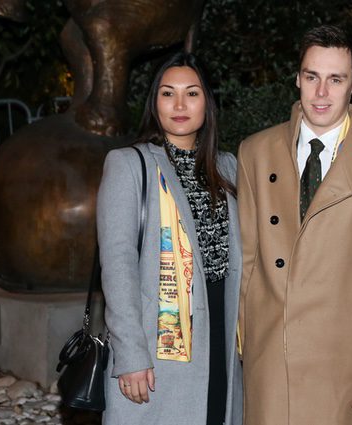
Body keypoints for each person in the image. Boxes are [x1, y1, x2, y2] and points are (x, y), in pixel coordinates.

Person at [237, 24, 352, 425]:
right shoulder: (255, 152)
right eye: (312, 77)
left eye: (335, 79)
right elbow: (246, 258)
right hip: (270, 358)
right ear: (298, 78)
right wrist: (246, 339)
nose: (321, 93)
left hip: (344, 363)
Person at [97, 51, 242, 425]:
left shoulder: (228, 167)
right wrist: (130, 354)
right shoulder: (129, 164)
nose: (179, 104)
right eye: (168, 93)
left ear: (207, 103)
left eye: (192, 93)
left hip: (222, 336)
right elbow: (117, 263)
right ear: (154, 102)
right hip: (159, 345)